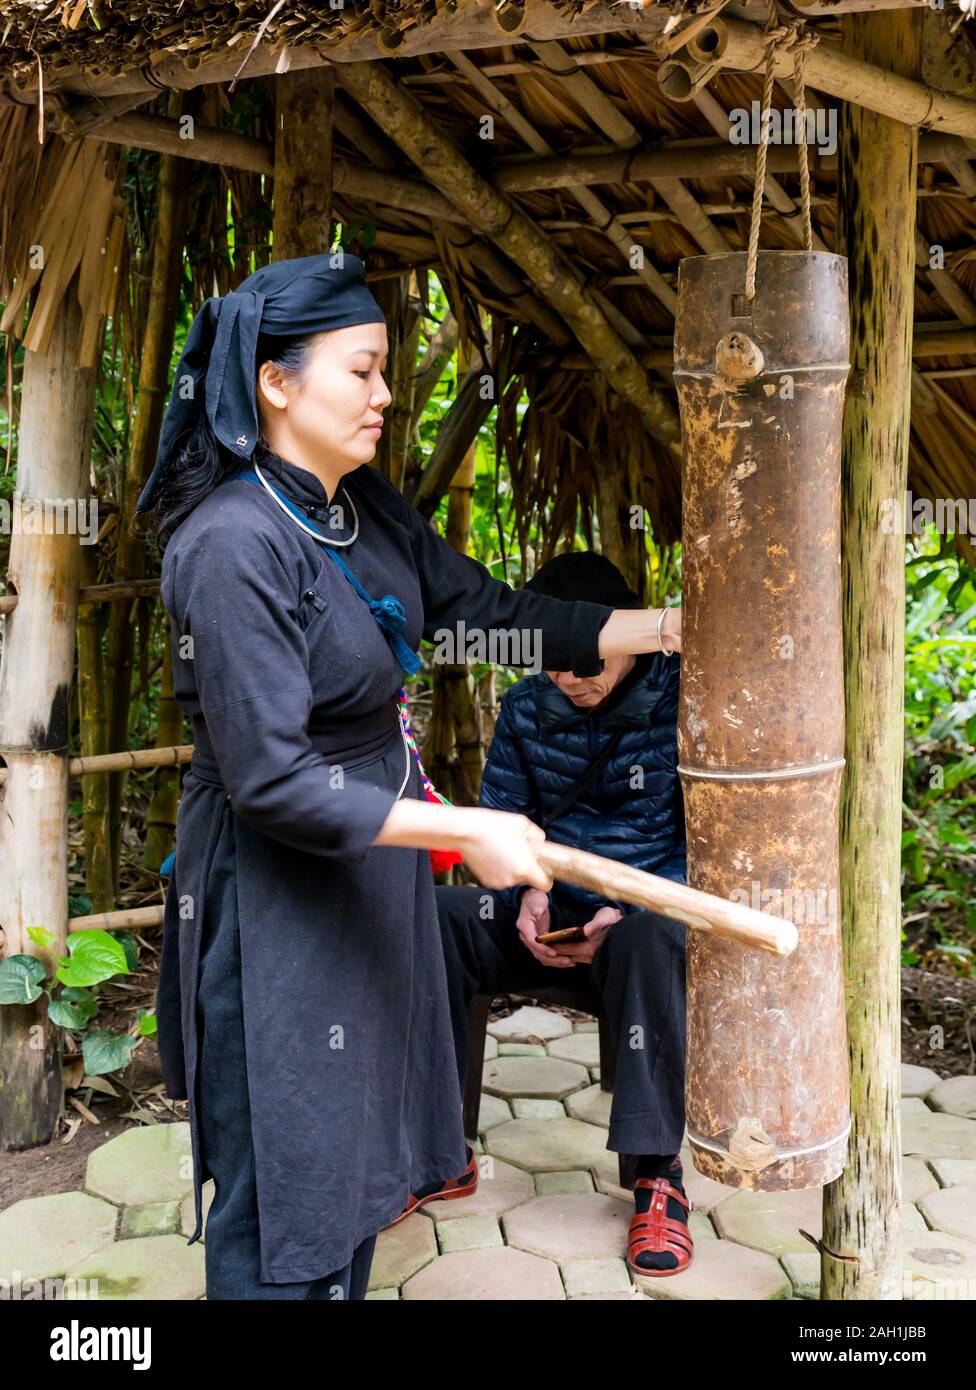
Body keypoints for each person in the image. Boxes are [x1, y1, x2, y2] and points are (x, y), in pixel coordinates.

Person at [136, 251, 683, 1300]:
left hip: (368, 880)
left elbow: (489, 612)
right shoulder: (232, 543)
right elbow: (273, 782)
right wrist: (460, 832)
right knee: (287, 1183)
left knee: (353, 1168)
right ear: (276, 382)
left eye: (387, 368)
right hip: (276, 897)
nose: (386, 394)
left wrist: (662, 628)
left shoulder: (359, 509)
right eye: (363, 369)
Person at [432, 552, 693, 1277]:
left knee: (651, 936)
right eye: (554, 666)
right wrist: (526, 897)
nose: (569, 679)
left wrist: (626, 906)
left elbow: (718, 852)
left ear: (631, 642)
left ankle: (657, 1179)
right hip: (549, 919)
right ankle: (435, 1152)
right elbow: (503, 825)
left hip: (644, 924)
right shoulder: (524, 709)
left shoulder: (689, 703)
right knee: (435, 915)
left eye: (584, 664)